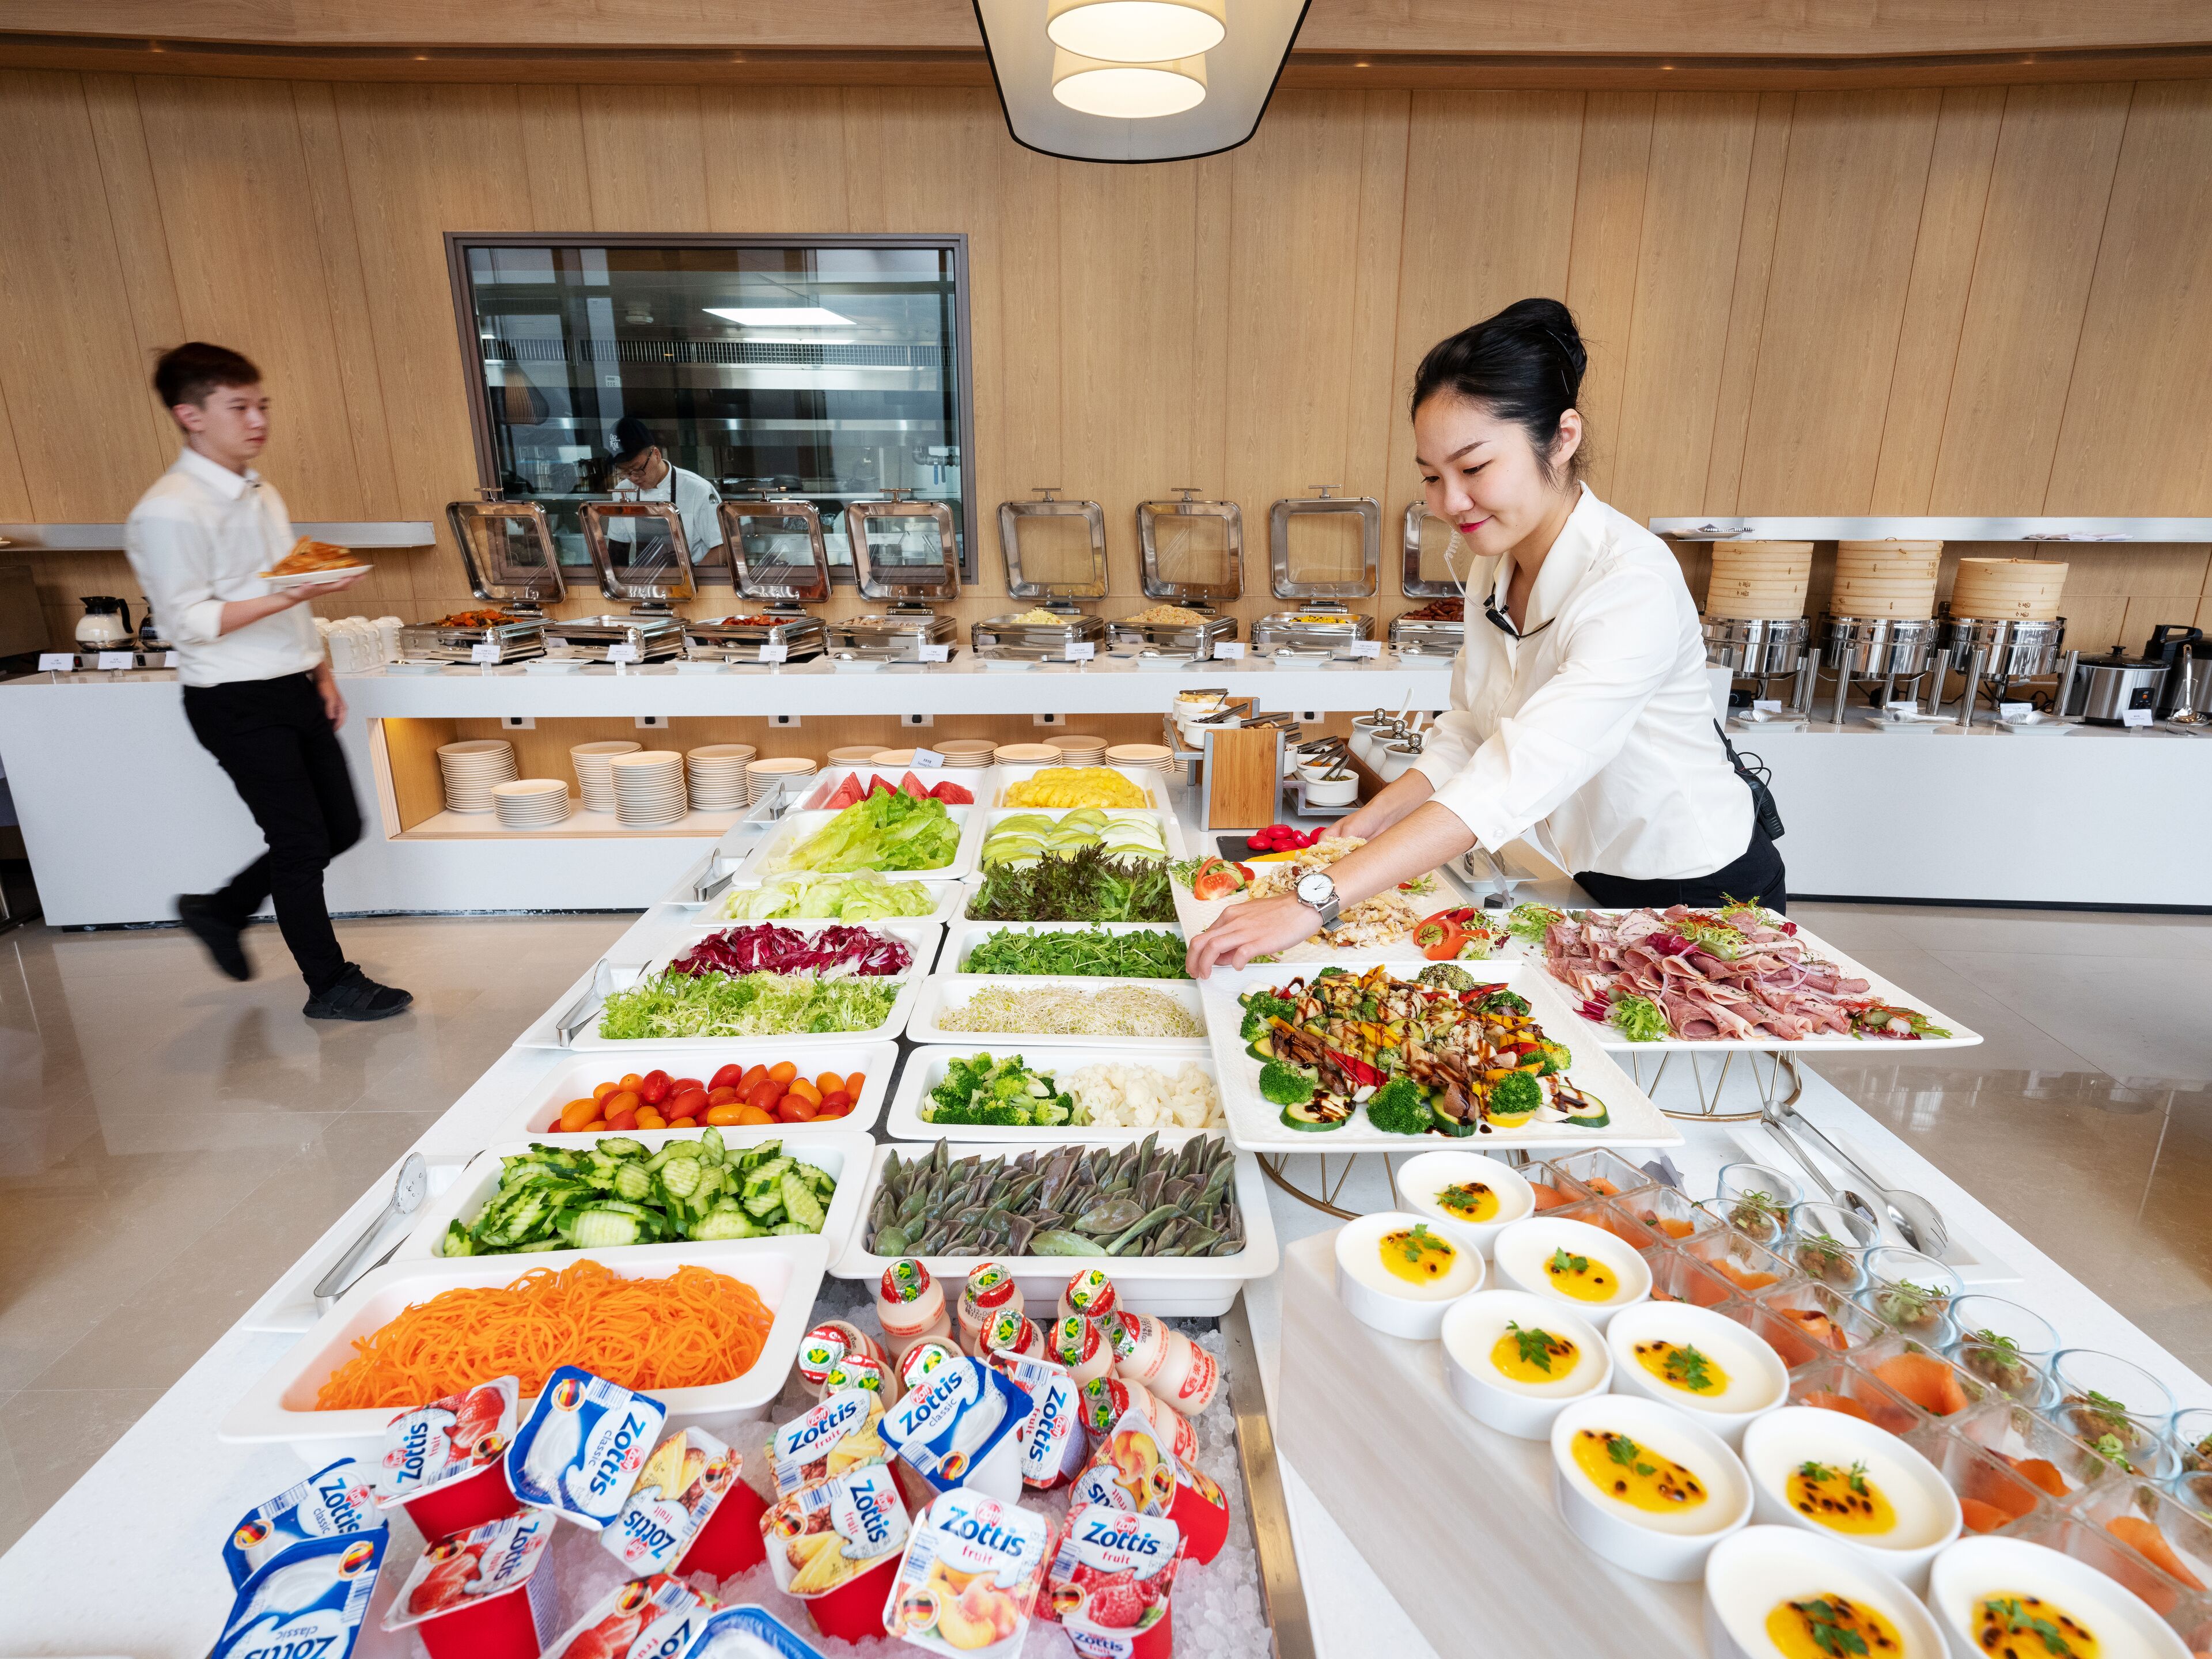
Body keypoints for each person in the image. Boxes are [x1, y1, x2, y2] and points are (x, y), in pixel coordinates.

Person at [1188, 298, 1783, 978]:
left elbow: (1522, 766)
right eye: (1432, 477)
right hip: (1591, 870)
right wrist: (1373, 820)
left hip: (1701, 885)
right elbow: (1474, 727)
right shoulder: (1493, 565)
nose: (1448, 502)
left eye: (1473, 469)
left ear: (1562, 437)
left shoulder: (1631, 581)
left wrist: (1314, 898)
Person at [124, 342, 414, 1021]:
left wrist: (320, 667)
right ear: (190, 415)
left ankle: (220, 908)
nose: (257, 421)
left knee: (339, 826)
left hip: (292, 682)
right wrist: (291, 598)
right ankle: (330, 983)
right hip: (233, 697)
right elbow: (186, 621)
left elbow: (288, 579)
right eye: (238, 408)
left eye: (262, 406)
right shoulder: (170, 510)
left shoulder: (261, 489)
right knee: (300, 843)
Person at [605, 414, 724, 566]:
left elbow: (722, 548)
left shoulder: (697, 489)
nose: (633, 478)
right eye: (625, 472)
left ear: (656, 454)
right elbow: (618, 549)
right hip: (647, 583)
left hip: (693, 583)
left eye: (638, 469)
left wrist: (693, 581)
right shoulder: (623, 491)